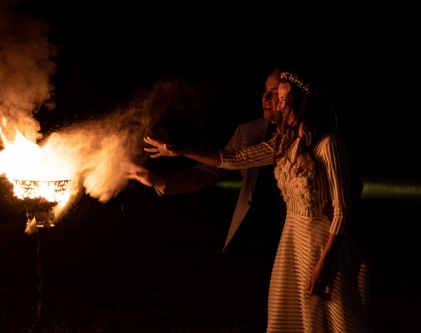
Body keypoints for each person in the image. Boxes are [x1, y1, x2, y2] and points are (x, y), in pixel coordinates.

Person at [139, 71, 374, 332]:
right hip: (291, 241)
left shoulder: (328, 145)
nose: (276, 103)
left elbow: (344, 204)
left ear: (301, 102)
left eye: (283, 98)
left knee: (328, 318)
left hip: (319, 243)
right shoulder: (283, 143)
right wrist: (181, 150)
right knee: (292, 318)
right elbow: (235, 158)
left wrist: (324, 262)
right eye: (276, 96)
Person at [132, 69, 286, 277]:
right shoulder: (249, 131)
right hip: (261, 231)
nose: (266, 97)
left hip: (298, 226)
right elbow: (209, 173)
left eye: (274, 92)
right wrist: (159, 180)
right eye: (265, 90)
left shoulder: (307, 135)